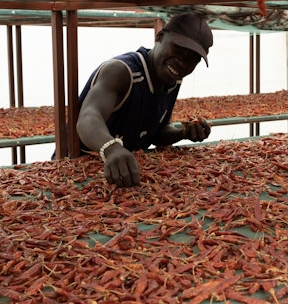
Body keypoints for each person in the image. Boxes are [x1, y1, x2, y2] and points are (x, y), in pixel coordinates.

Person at [76, 13, 213, 187]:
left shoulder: (171, 79)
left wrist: (183, 132)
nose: (182, 63)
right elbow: (88, 117)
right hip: (83, 175)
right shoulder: (121, 71)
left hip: (125, 178)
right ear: (160, 36)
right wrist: (111, 149)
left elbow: (154, 133)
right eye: (178, 50)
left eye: (192, 60)